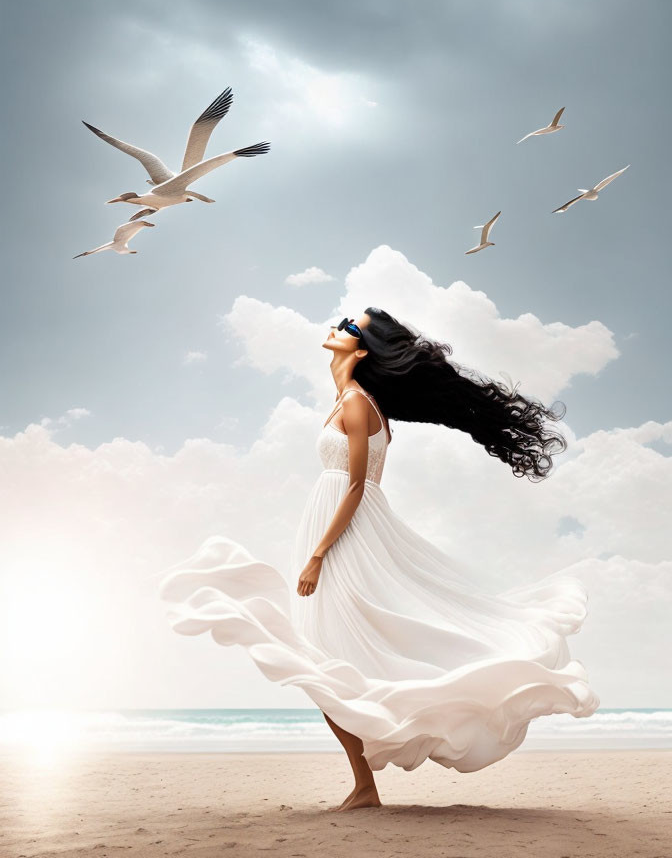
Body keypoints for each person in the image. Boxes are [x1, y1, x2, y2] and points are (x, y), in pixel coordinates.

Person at [159, 306, 599, 812]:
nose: (338, 326)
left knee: (324, 657)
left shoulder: (357, 404)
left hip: (346, 540)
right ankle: (364, 783)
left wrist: (319, 556)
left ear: (363, 351)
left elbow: (355, 488)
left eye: (351, 327)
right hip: (334, 533)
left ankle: (368, 782)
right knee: (322, 657)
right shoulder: (348, 397)